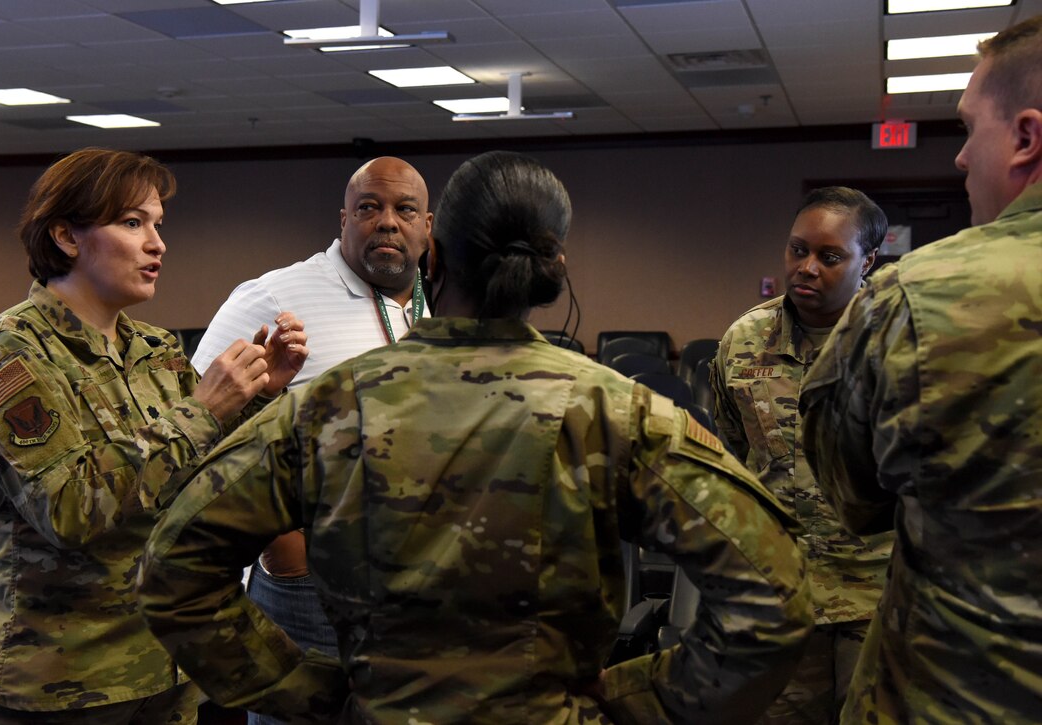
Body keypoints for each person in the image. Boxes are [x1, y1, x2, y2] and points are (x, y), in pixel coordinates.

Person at [138, 150, 814, 724]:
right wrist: (628, 697)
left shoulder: (328, 407)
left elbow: (174, 566)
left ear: (433, 251)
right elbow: (776, 589)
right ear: (555, 267)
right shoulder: (615, 411)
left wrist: (314, 691)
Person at [0, 147, 307, 724]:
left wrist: (259, 394)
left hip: (164, 670)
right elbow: (68, 510)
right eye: (132, 223)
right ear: (67, 236)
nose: (157, 243)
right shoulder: (7, 352)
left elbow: (209, 481)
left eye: (157, 225)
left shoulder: (155, 349)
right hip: (57, 689)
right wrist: (202, 409)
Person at [799, 16, 1042, 723]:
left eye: (971, 128)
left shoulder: (915, 294)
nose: (962, 157)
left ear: (1026, 136)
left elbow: (853, 499)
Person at [188, 157, 432, 716]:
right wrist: (285, 550)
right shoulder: (274, 297)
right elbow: (196, 416)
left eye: (404, 210)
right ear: (343, 218)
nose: (387, 222)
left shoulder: (418, 305)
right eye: (369, 207)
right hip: (308, 584)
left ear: (427, 226)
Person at [710, 187, 893, 724]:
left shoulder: (897, 337)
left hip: (879, 594)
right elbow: (733, 452)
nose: (806, 268)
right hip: (783, 593)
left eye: (829, 256)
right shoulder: (745, 340)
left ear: (868, 261)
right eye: (797, 250)